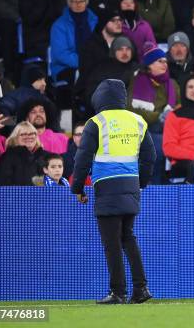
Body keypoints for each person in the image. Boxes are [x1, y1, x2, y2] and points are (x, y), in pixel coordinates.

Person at [71, 79, 156, 304]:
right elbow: (150, 157)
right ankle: (141, 289)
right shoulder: (137, 120)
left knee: (112, 243)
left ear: (99, 98)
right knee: (128, 238)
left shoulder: (96, 122)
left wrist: (77, 187)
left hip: (107, 187)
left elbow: (82, 158)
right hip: (131, 186)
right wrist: (141, 183)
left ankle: (118, 292)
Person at [128, 43, 180, 184]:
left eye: (165, 62)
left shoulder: (172, 84)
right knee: (156, 143)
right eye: (159, 61)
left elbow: (179, 107)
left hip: (169, 130)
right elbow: (130, 108)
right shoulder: (136, 81)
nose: (164, 64)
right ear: (149, 64)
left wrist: (170, 116)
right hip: (143, 129)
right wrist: (157, 116)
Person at [163, 74, 194, 183]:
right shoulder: (174, 115)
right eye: (190, 87)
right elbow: (169, 147)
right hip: (184, 161)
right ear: (184, 89)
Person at [0, 121, 46, 186]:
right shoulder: (7, 157)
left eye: (32, 133)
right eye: (23, 134)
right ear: (15, 138)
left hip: (41, 195)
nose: (29, 136)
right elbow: (2, 184)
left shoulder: (45, 156)